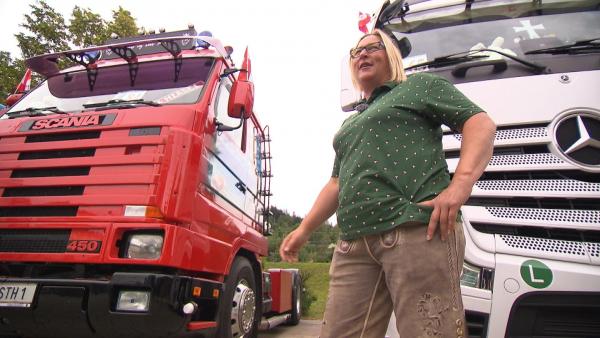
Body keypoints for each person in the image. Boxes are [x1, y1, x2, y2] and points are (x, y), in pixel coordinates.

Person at [279, 29, 496, 338]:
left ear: (392, 56)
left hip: (415, 229)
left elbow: (479, 123)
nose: (362, 55)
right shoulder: (349, 124)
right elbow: (336, 184)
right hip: (353, 243)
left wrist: (460, 184)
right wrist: (303, 230)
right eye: (356, 52)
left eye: (373, 47)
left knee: (430, 332)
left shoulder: (419, 87)